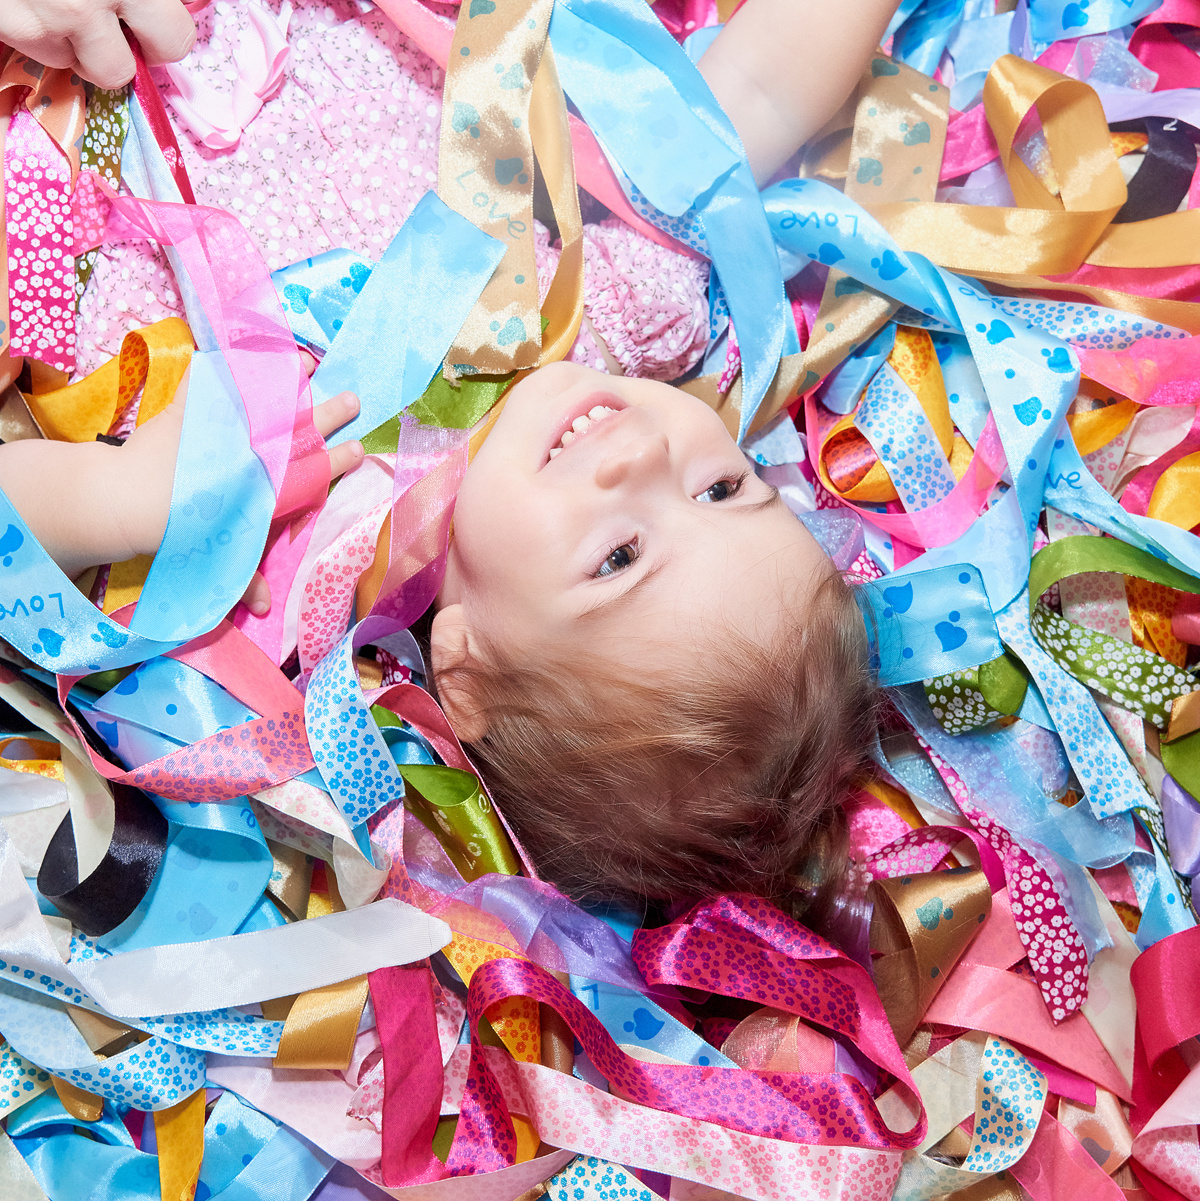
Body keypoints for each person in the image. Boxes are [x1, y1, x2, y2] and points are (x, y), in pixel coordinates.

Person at [0, 0, 902, 923]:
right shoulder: (616, 306)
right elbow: (751, 95)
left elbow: (20, 542)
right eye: (722, 486)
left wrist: (110, 497)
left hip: (63, 104)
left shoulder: (284, 544)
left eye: (620, 556)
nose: (641, 453)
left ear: (465, 670)